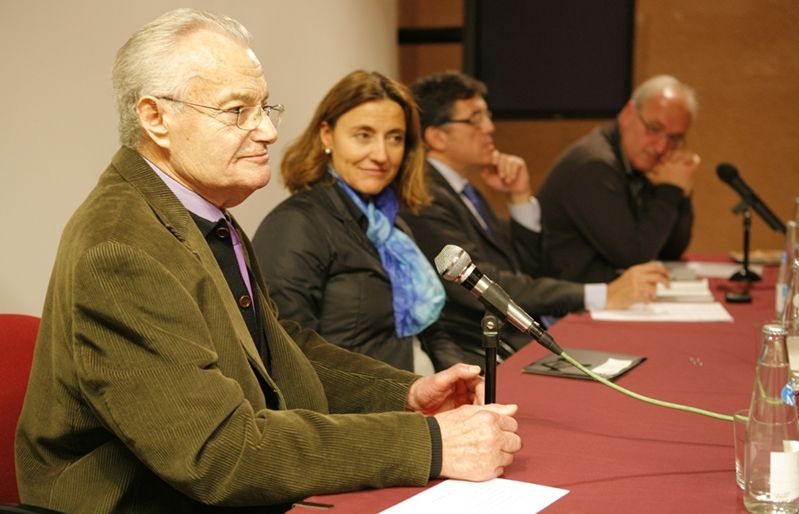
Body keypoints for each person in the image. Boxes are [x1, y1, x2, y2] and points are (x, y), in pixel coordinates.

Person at [14, 10, 521, 514]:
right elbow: (218, 454)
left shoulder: (205, 213)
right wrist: (428, 443)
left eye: (264, 108)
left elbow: (279, 353)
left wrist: (408, 394)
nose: (268, 132)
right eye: (238, 111)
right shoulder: (120, 250)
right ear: (156, 118)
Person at [404, 71, 669, 369]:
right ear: (436, 136)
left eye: (488, 116)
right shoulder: (424, 196)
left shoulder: (462, 189)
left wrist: (520, 198)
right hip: (486, 349)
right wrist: (600, 294)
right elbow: (486, 284)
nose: (490, 127)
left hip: (522, 334)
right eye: (475, 119)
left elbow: (524, 268)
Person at [252, 70, 452, 374]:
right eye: (364, 135)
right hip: (366, 411)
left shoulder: (389, 224)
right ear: (327, 136)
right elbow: (290, 358)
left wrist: (465, 382)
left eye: (395, 138)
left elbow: (432, 331)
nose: (382, 155)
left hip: (424, 391)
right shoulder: (295, 226)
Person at [536, 75, 700, 283]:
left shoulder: (638, 162)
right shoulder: (594, 166)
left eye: (675, 138)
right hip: (566, 307)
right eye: (654, 129)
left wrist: (680, 192)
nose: (661, 147)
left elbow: (670, 250)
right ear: (628, 114)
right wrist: (669, 191)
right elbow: (633, 256)